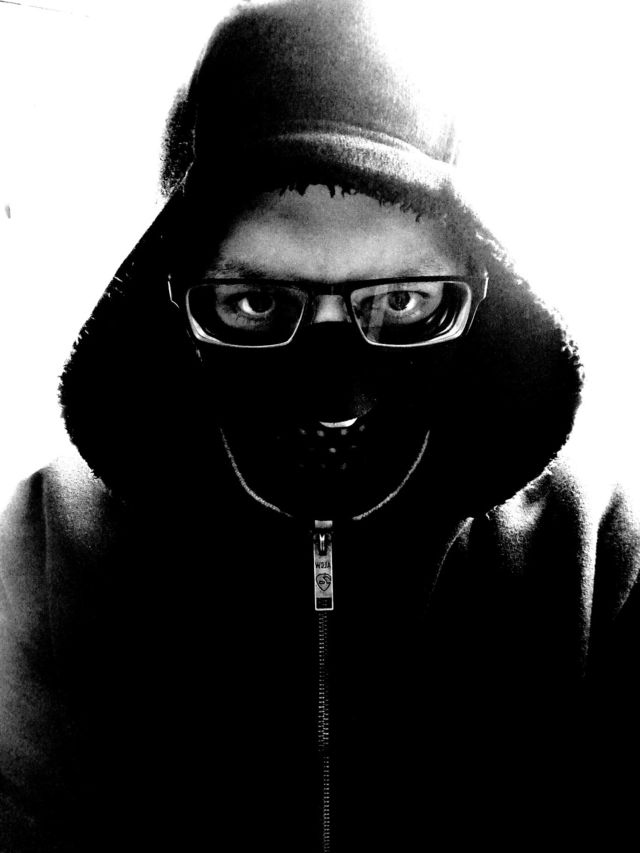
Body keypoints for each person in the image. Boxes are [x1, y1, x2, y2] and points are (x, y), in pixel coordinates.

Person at [1, 1, 639, 850]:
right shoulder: (40, 554)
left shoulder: (597, 561)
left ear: (481, 292)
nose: (336, 397)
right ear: (174, 300)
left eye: (402, 301)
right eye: (256, 302)